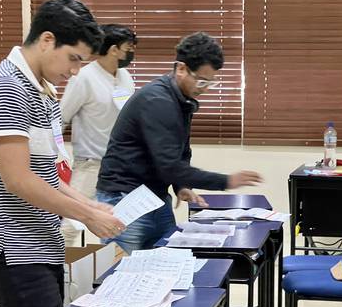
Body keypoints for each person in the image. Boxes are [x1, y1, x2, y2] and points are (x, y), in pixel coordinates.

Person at [0, 0, 125, 307]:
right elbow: (18, 180)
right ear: (47, 39)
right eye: (74, 59)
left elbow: (48, 174)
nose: (75, 71)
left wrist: (92, 207)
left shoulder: (42, 90)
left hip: (41, 246)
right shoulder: (6, 88)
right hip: (14, 253)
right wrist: (87, 216)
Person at [96, 32, 262, 254]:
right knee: (124, 272)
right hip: (124, 197)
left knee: (168, 260)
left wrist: (181, 186)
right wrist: (227, 181)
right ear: (182, 69)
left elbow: (181, 149)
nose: (205, 88)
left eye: (211, 82)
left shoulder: (182, 99)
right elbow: (170, 166)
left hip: (153, 197)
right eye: (202, 81)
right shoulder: (158, 101)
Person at [60, 24, 137, 247]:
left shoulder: (124, 77)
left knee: (118, 223)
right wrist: (58, 156)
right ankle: (58, 274)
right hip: (90, 165)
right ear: (113, 49)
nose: (130, 53)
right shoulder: (84, 78)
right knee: (71, 224)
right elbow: (61, 117)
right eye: (128, 48)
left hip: (120, 166)